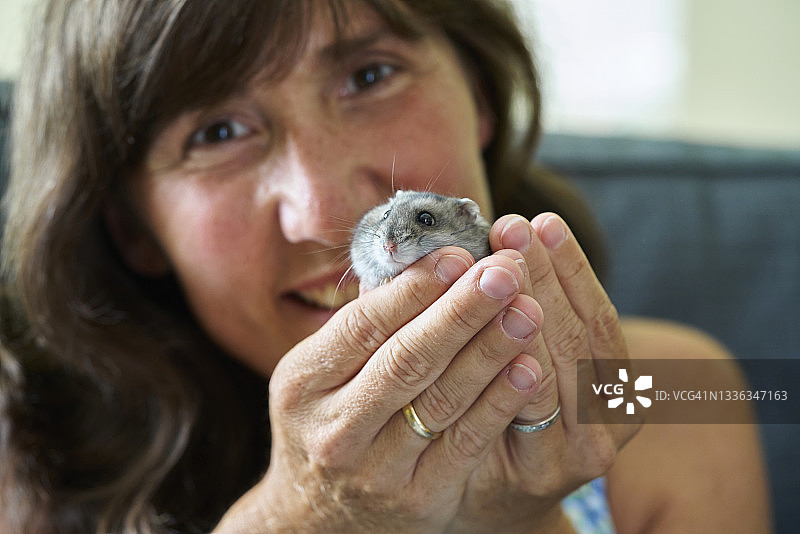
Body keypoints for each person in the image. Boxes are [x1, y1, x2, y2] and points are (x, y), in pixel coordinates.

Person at [0, 0, 770, 532]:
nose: (326, 212)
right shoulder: (25, 448)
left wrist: (519, 525)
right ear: (131, 229)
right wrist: (298, 522)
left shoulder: (676, 391)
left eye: (369, 76)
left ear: (479, 95)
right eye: (218, 130)